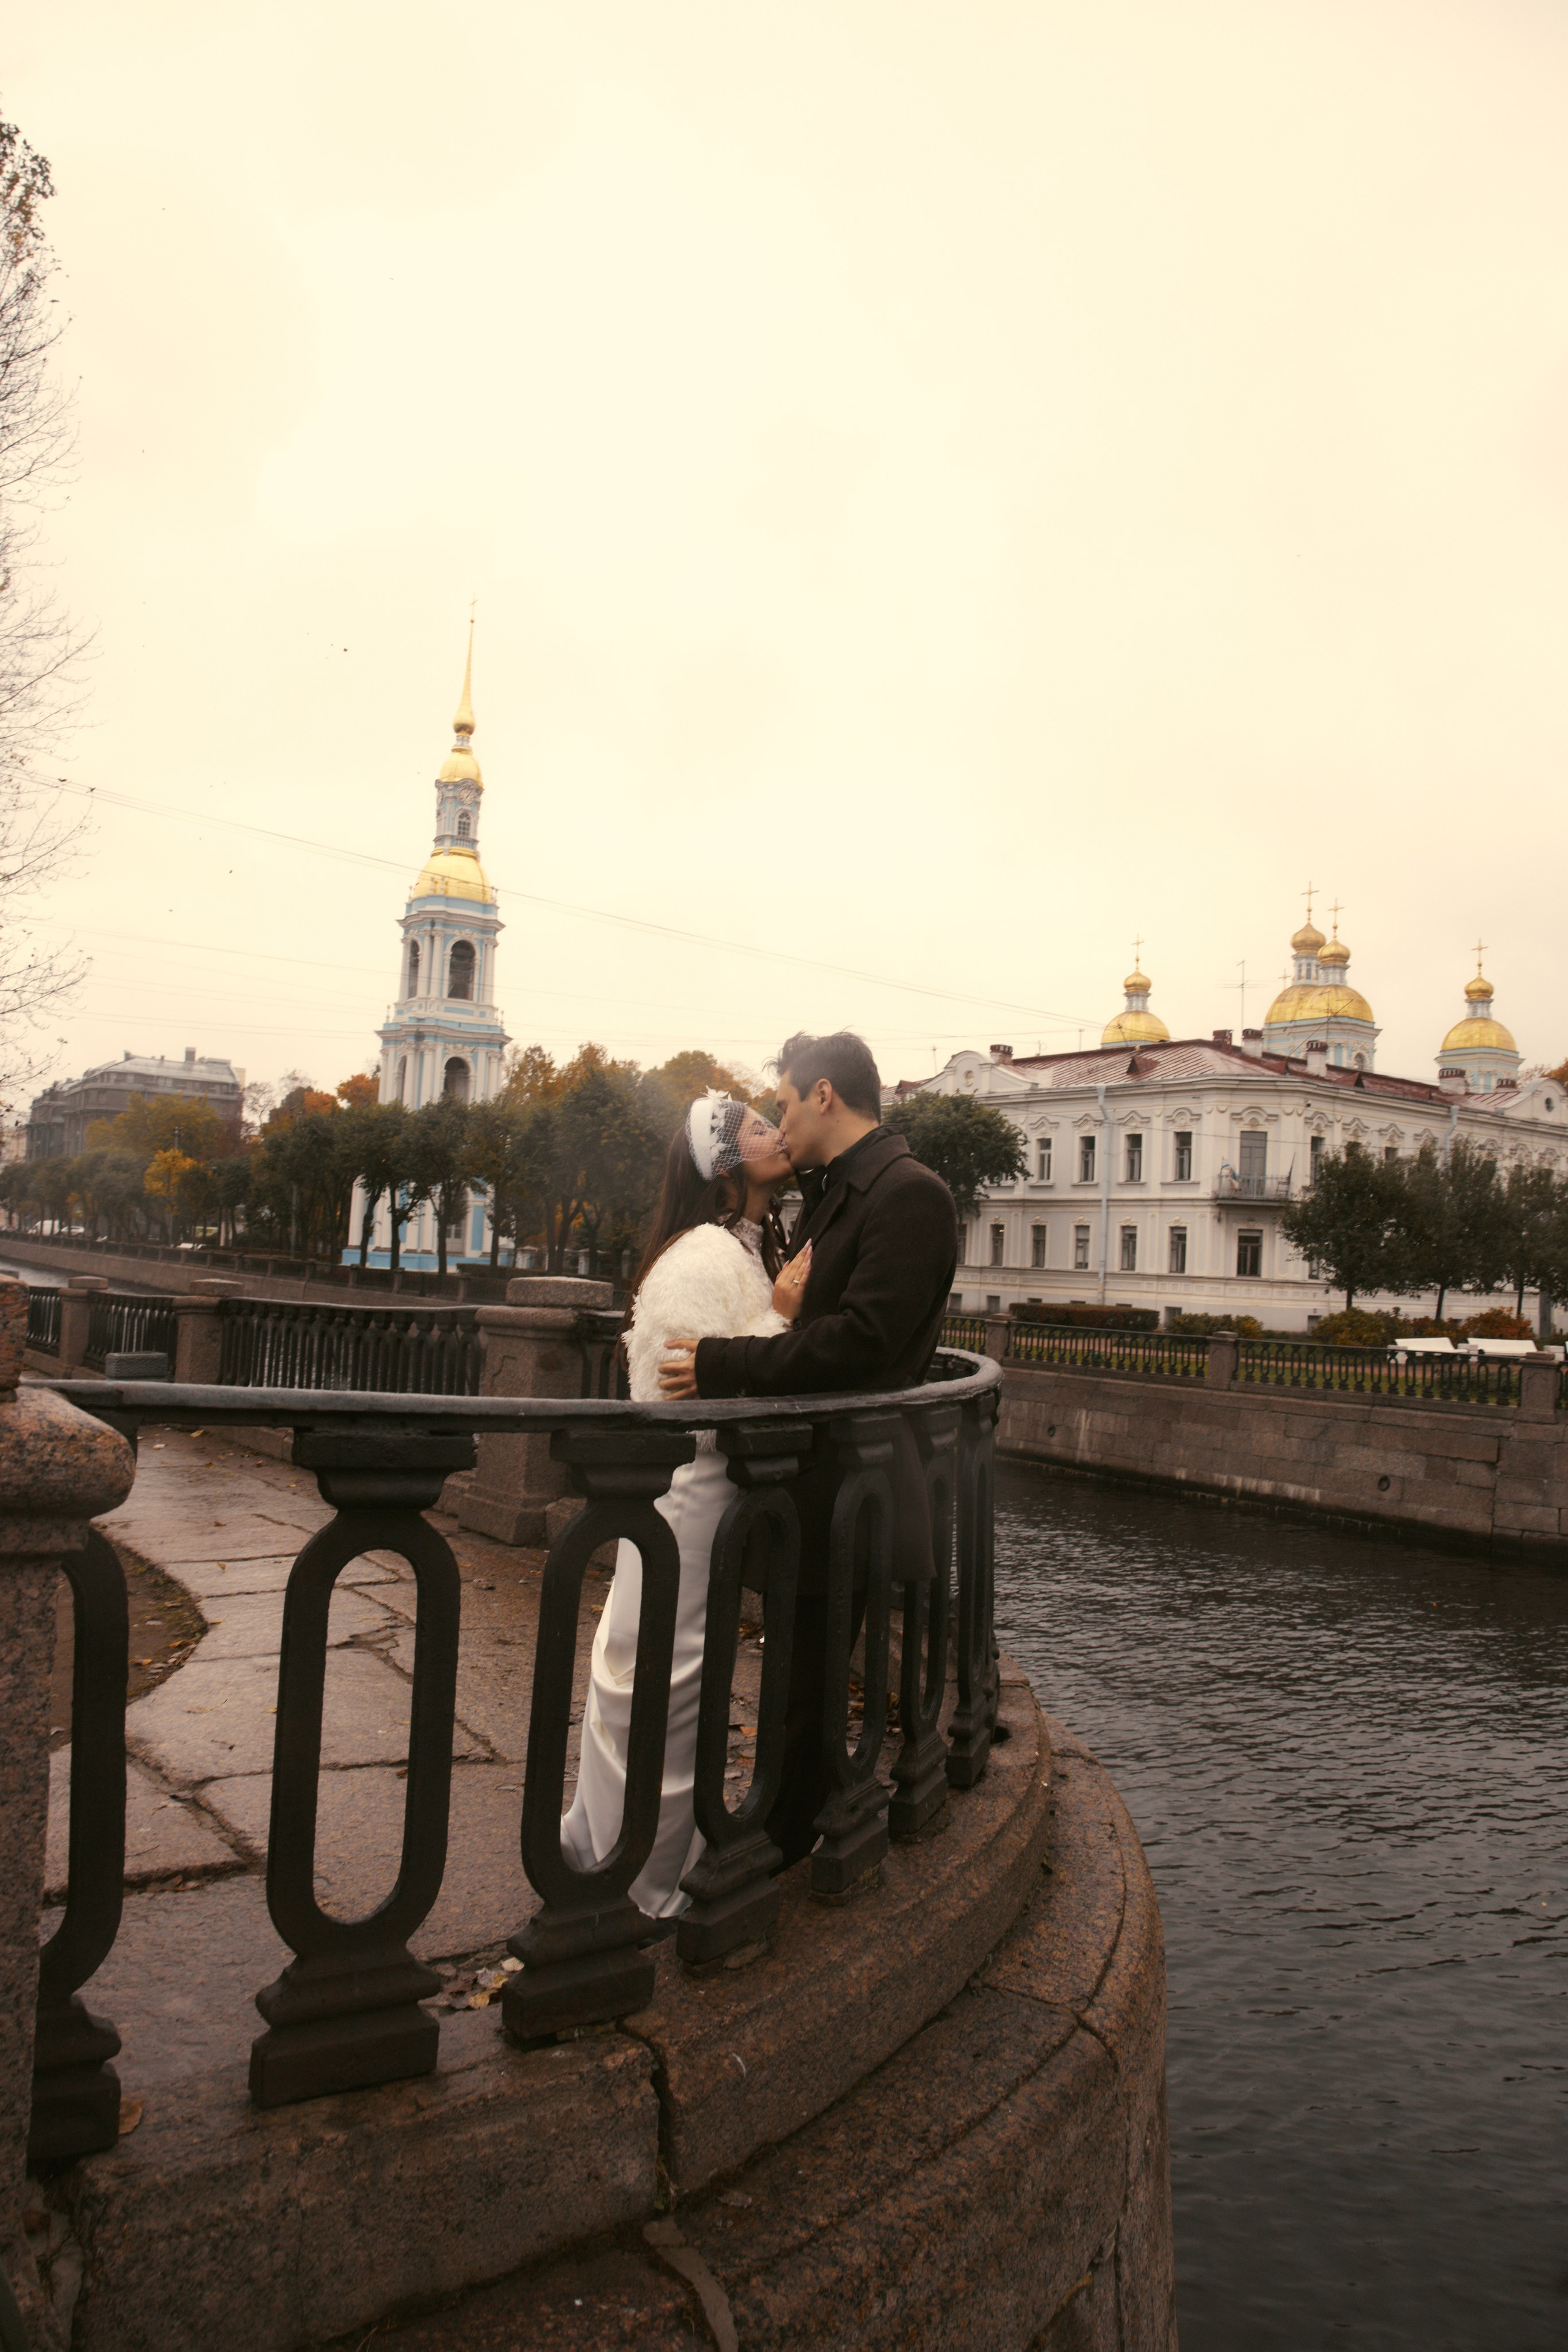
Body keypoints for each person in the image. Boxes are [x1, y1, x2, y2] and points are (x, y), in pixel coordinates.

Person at [657, 1030, 959, 1868]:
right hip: (817, 1483)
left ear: (824, 1095)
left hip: (855, 1482)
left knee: (810, 1686)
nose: (779, 1119)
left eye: (785, 1101)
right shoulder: (845, 1191)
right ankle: (772, 1843)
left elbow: (861, 1342)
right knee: (795, 1676)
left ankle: (773, 1861)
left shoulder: (910, 1194)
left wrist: (725, 1360)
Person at [560, 1090, 810, 1918]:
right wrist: (779, 1315)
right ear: (728, 1165)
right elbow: (689, 1405)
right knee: (665, 1678)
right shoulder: (702, 1258)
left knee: (664, 1678)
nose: (780, 1132)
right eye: (760, 1128)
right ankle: (647, 1883)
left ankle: (611, 1852)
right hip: (686, 1503)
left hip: (704, 1506)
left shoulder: (744, 1243)